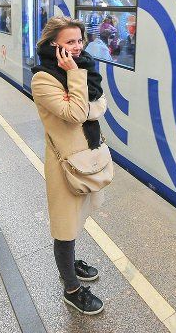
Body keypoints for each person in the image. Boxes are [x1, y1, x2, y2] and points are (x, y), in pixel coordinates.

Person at [31, 16, 108, 315]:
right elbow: (77, 113)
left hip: (86, 154)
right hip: (65, 161)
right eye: (69, 42)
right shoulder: (43, 78)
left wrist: (82, 94)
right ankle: (71, 288)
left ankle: (71, 262)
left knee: (79, 217)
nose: (77, 47)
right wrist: (75, 75)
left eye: (79, 41)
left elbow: (101, 104)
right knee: (64, 227)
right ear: (54, 45)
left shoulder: (85, 69)